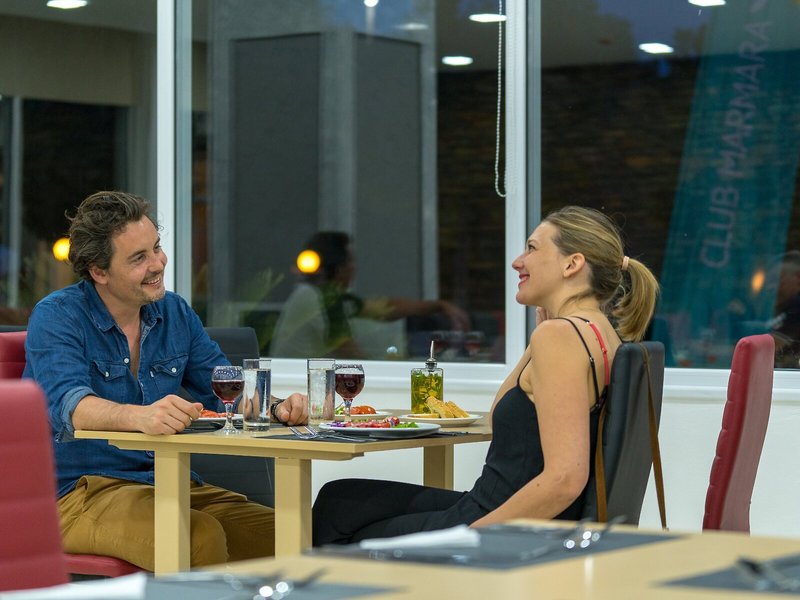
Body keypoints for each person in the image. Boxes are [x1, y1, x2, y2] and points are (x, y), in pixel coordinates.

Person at [312, 206, 659, 544]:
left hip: (503, 523)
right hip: (495, 506)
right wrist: (537, 340)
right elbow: (498, 417)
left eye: (532, 248)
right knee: (338, 500)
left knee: (339, 530)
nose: (518, 261)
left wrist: (470, 537)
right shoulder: (599, 334)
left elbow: (565, 480)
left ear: (572, 264)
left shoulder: (561, 337)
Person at [23, 191, 309, 571]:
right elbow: (69, 406)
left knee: (295, 537)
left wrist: (276, 408)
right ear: (99, 271)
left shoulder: (173, 311)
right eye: (138, 258)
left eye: (156, 247)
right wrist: (139, 416)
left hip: (168, 482)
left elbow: (225, 388)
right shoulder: (58, 316)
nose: (158, 263)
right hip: (78, 493)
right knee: (197, 537)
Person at [270, 231, 469, 358]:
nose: (355, 268)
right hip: (296, 389)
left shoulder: (325, 296)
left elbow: (385, 307)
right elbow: (349, 351)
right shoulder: (320, 299)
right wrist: (388, 369)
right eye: (351, 262)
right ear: (339, 270)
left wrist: (439, 305)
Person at [768, 250, 800, 368]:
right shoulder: (776, 307)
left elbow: (778, 344)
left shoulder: (796, 309)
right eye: (769, 280)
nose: (771, 286)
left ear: (798, 277)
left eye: (777, 279)